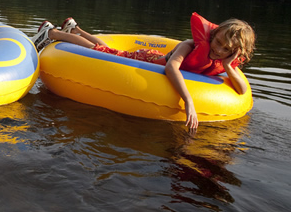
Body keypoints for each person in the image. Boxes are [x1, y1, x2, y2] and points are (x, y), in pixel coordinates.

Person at [31, 14, 256, 131]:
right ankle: (52, 34)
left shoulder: (225, 62)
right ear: (213, 35)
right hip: (146, 60)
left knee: (107, 48)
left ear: (235, 52)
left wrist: (227, 66)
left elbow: (243, 89)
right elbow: (171, 67)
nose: (218, 49)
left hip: (150, 59)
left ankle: (75, 28)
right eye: (217, 42)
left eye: (226, 49)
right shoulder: (189, 45)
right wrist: (188, 100)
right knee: (100, 50)